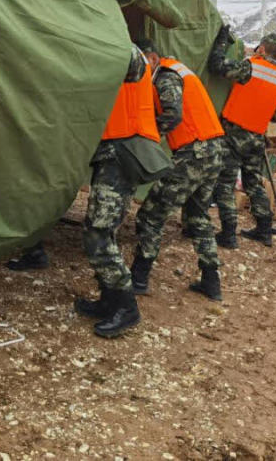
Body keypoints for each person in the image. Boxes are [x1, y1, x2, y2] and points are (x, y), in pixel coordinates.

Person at [73, 42, 160, 338]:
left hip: (123, 152)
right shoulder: (123, 56)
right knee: (100, 229)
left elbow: (117, 58)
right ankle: (110, 300)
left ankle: (126, 306)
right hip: (114, 151)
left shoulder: (130, 54)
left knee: (98, 231)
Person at [131, 42, 226, 300]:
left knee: (151, 214)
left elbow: (173, 114)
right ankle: (211, 281)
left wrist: (147, 139)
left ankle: (138, 278)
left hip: (194, 153)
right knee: (197, 216)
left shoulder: (166, 75)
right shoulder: (180, 71)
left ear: (152, 57)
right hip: (214, 151)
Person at [208, 28, 276, 248]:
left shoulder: (252, 66)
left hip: (234, 133)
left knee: (225, 183)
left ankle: (228, 234)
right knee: (253, 183)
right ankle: (264, 230)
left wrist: (221, 42)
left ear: (262, 49)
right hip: (256, 136)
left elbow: (216, 66)